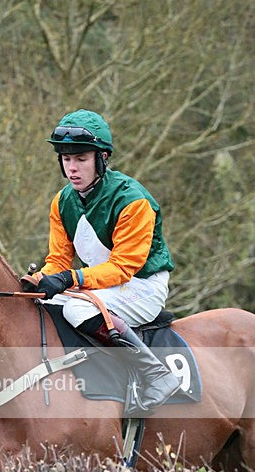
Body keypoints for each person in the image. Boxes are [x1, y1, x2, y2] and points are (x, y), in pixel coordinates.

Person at [35, 108, 181, 414]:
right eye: (66, 159)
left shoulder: (133, 200)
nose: (72, 168)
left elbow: (123, 268)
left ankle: (156, 375)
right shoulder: (62, 202)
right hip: (98, 287)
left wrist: (69, 280)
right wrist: (36, 281)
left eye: (81, 159)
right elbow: (58, 260)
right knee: (42, 306)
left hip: (141, 286)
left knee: (75, 307)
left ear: (102, 158)